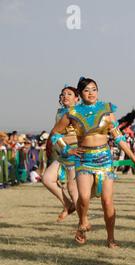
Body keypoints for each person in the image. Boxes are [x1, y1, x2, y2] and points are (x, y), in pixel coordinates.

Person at [50, 77, 135, 248]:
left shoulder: (106, 111)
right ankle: (83, 223)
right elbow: (55, 134)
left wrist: (133, 156)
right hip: (84, 159)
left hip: (105, 158)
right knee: (83, 197)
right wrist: (67, 149)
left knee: (107, 201)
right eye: (86, 90)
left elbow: (119, 137)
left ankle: (111, 238)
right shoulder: (72, 113)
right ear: (80, 93)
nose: (91, 93)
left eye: (94, 89)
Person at [44, 87, 79, 222]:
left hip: (77, 153)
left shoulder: (78, 112)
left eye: (69, 94)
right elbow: (55, 134)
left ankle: (83, 222)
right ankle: (68, 204)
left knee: (72, 187)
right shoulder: (60, 113)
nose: (65, 96)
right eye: (63, 94)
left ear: (77, 98)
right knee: (47, 179)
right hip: (65, 153)